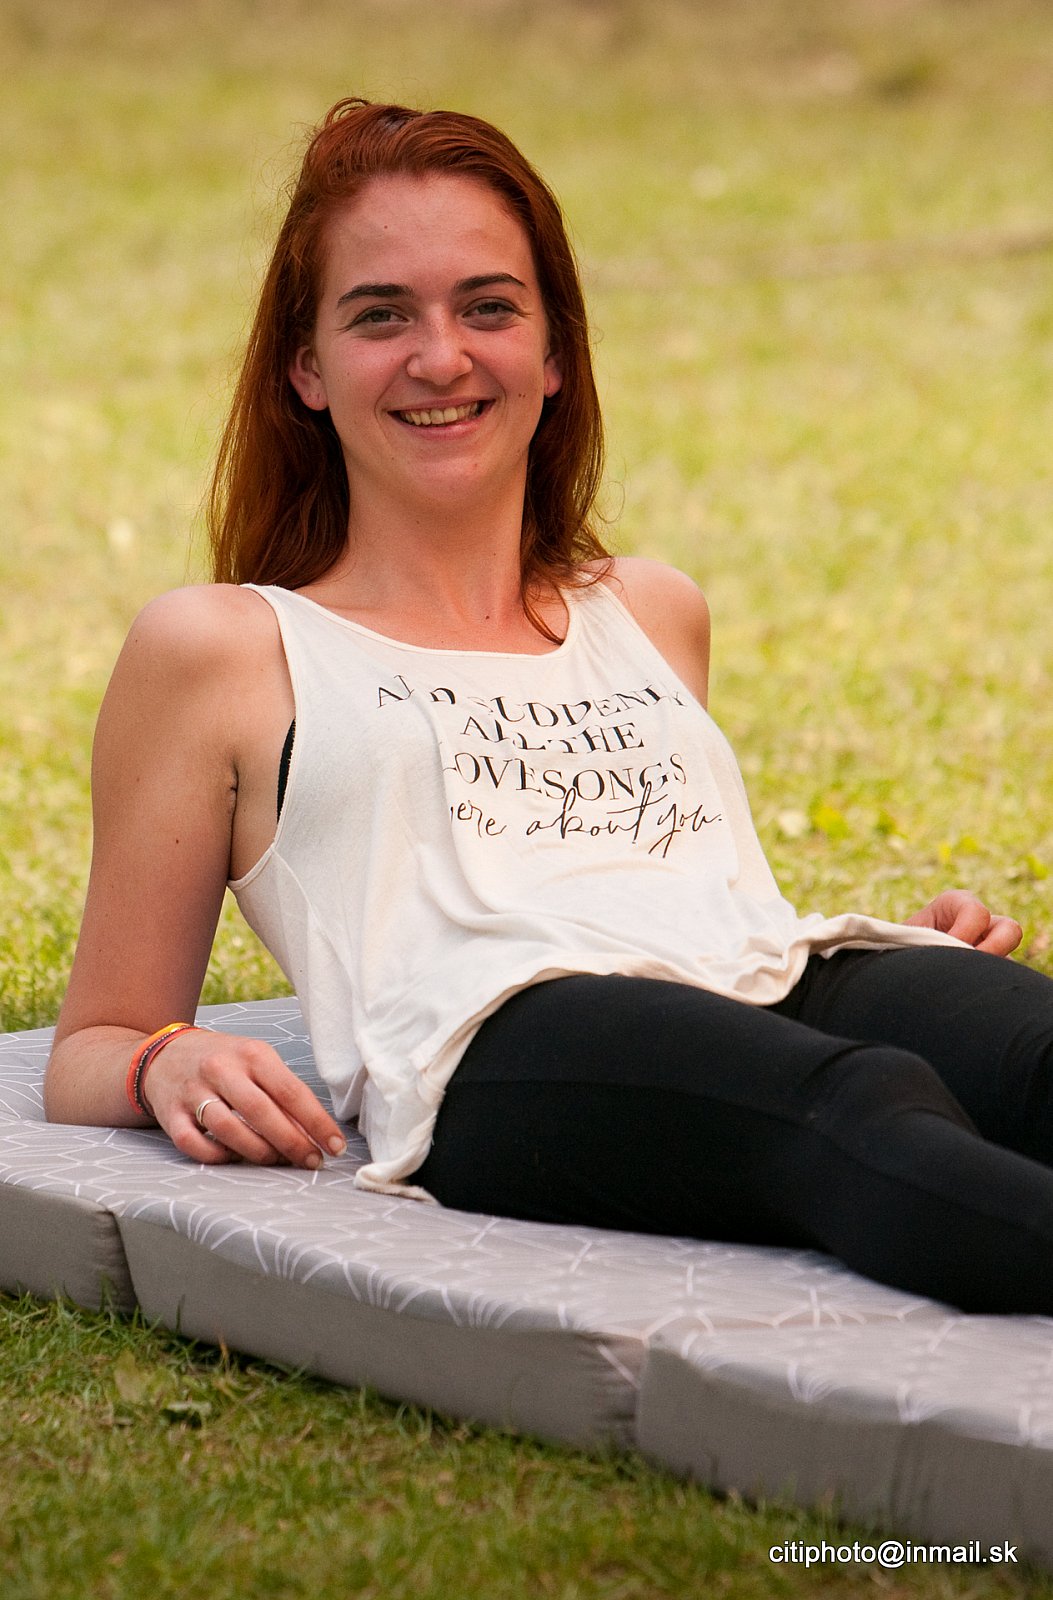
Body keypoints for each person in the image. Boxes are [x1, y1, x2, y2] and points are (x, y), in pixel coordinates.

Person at [44, 98, 1053, 1316]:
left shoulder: (652, 608)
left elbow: (663, 890)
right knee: (861, 1102)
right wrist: (164, 1059)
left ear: (555, 351)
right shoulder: (226, 647)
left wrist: (911, 957)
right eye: (381, 315)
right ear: (306, 367)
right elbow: (95, 1039)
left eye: (488, 307)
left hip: (763, 976)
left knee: (1026, 1051)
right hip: (495, 1037)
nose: (441, 356)